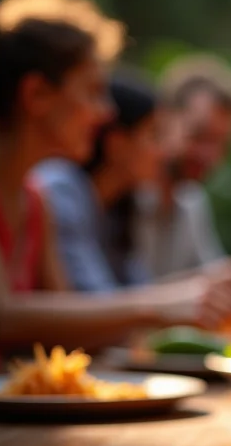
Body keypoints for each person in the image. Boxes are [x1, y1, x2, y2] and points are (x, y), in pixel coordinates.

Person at [0, 0, 231, 370]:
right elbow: (0, 317)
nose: (104, 114)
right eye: (92, 92)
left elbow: (67, 324)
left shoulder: (34, 200)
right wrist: (160, 306)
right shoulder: (48, 191)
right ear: (36, 95)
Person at [34, 74, 161, 291]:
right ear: (117, 143)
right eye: (154, 135)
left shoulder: (119, 206)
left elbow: (139, 290)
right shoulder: (60, 189)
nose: (162, 151)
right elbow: (90, 298)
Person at [134, 54, 231, 279]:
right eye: (199, 135)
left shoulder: (192, 201)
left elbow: (211, 277)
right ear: (162, 119)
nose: (209, 155)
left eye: (222, 144)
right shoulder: (125, 195)